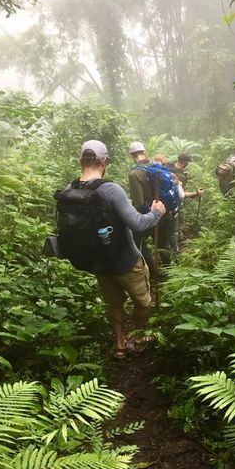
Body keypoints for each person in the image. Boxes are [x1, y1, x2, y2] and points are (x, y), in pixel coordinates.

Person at [63, 140, 166, 359]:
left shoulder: (69, 190)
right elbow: (138, 223)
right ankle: (139, 337)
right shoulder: (110, 189)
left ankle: (119, 343)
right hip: (125, 259)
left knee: (114, 303)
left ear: (81, 160)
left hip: (96, 261)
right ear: (104, 161)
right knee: (143, 301)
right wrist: (156, 213)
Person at [128, 141, 157, 278]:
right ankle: (169, 271)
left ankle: (151, 272)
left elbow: (138, 202)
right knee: (162, 242)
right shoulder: (156, 165)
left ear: (132, 155)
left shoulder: (134, 174)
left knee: (137, 241)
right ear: (144, 152)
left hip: (148, 214)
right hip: (164, 210)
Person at [167, 152, 203, 252]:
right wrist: (196, 193)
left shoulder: (169, 166)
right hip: (175, 202)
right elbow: (181, 194)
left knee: (169, 225)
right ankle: (175, 249)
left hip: (164, 200)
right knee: (176, 225)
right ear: (184, 162)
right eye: (187, 162)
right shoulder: (180, 176)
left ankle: (171, 241)